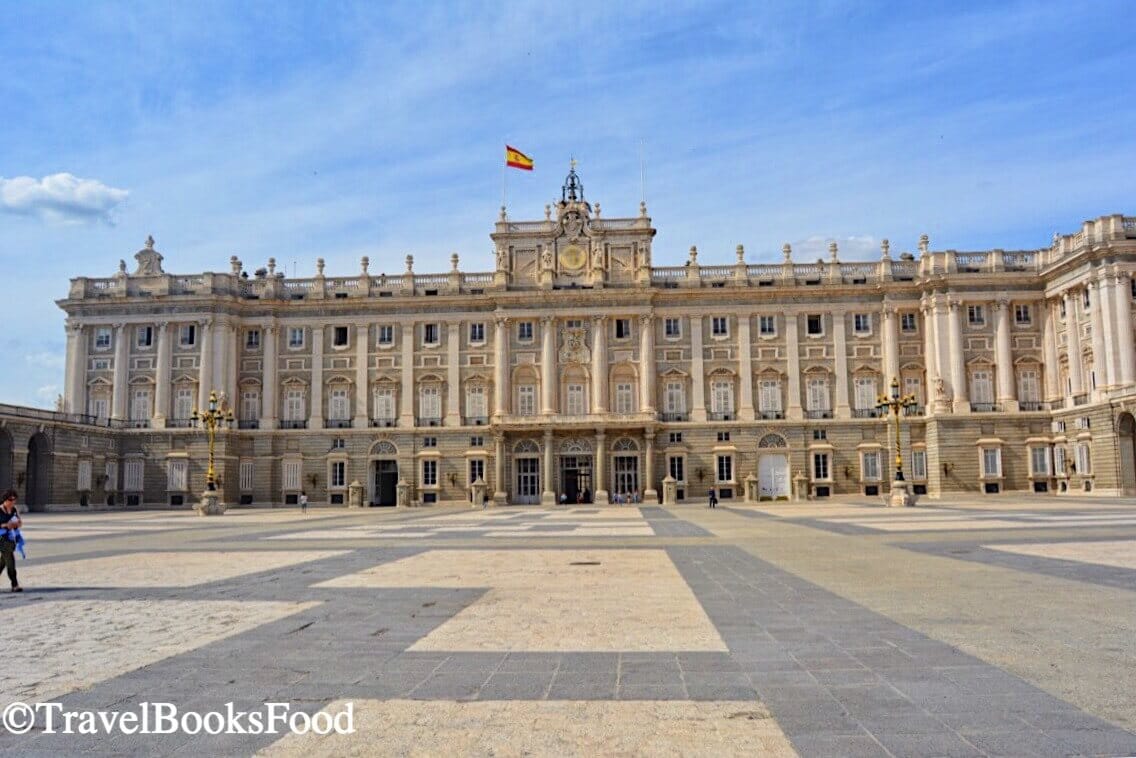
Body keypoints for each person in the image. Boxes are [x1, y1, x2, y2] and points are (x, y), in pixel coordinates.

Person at [0, 489, 23, 592]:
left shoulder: (14, 509)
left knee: (3, 562)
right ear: (5, 500)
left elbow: (20, 523)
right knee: (10, 561)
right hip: (1, 539)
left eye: (14, 500)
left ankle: (14, 584)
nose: (13, 502)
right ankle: (15, 584)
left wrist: (17, 523)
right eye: (11, 499)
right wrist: (5, 525)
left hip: (10, 538)